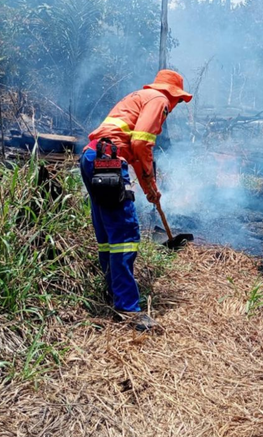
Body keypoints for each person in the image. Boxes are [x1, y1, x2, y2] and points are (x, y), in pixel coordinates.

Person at [80, 69, 192, 331]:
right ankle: (129, 310)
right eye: (177, 101)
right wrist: (150, 185)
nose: (173, 107)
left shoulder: (139, 95)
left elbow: (131, 146)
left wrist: (146, 186)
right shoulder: (159, 100)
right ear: (173, 94)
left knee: (108, 237)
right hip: (107, 162)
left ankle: (113, 293)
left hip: (91, 158)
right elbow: (141, 143)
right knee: (125, 236)